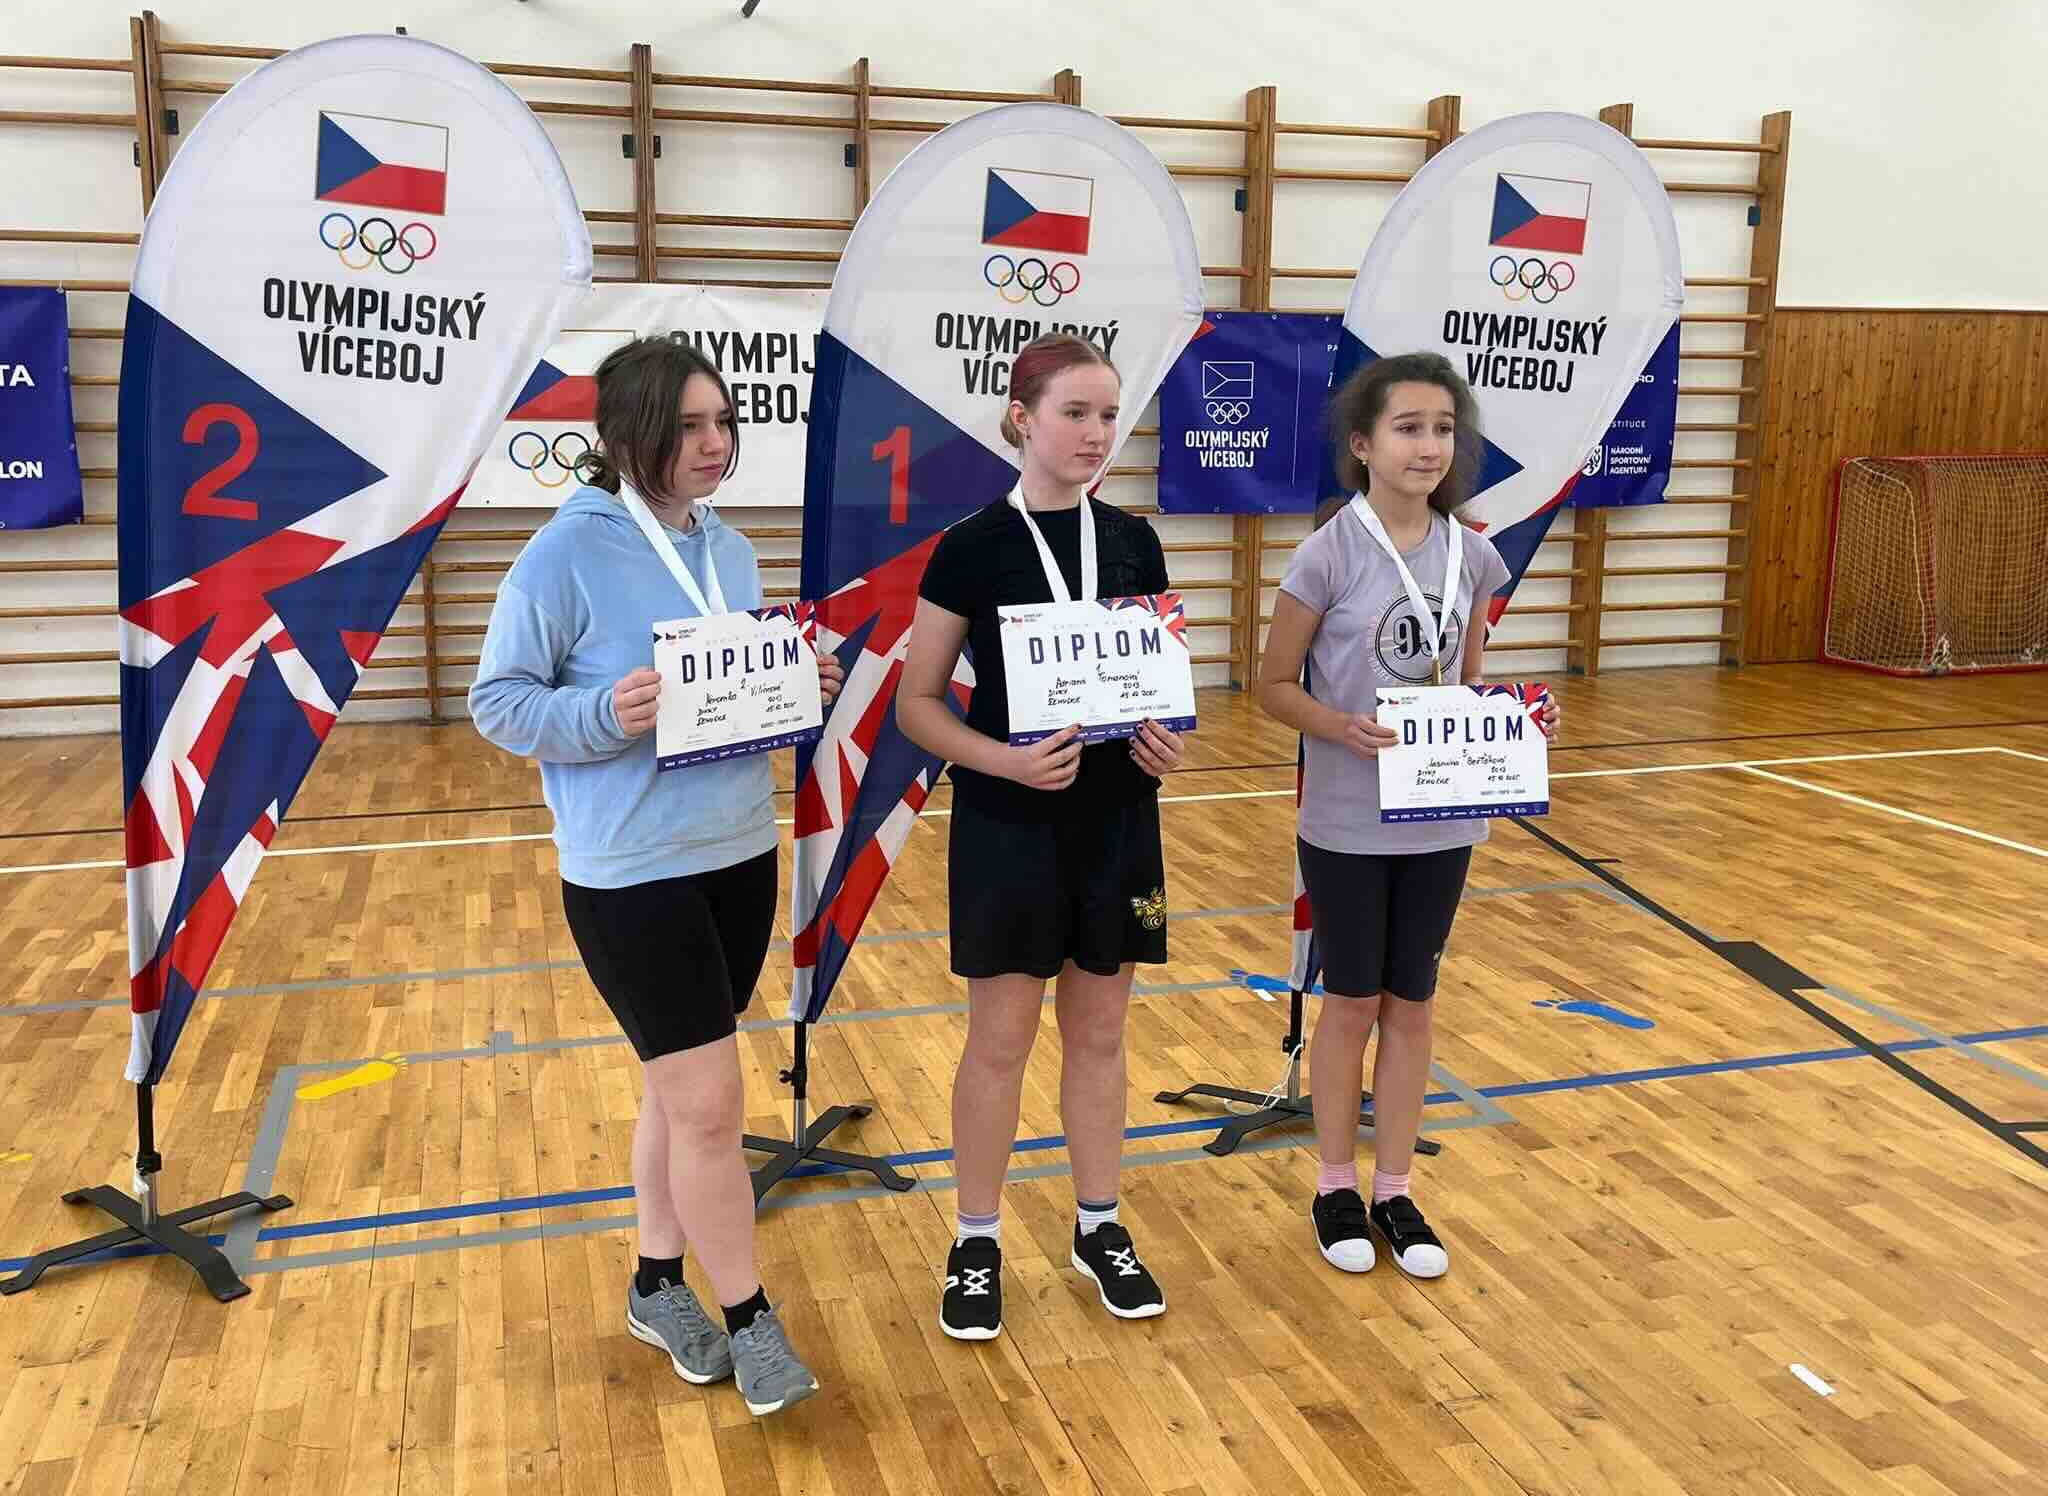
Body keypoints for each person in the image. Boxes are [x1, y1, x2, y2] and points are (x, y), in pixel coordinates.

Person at [469, 337, 843, 1416]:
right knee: (713, 1110)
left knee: (676, 1096)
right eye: (687, 426)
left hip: (739, 854)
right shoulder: (563, 554)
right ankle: (750, 1320)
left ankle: (653, 1283)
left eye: (723, 421)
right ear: (627, 433)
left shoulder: (729, 549)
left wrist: (796, 682)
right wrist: (601, 712)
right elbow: (499, 702)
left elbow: (729, 700)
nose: (714, 443)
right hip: (631, 875)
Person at [897, 332, 1186, 1341]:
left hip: (1117, 822)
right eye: (1075, 412)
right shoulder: (971, 545)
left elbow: (1153, 690)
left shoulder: (1134, 540)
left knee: (1100, 1035)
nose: (1097, 433)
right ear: (1022, 417)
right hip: (1009, 825)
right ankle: (975, 1239)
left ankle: (1098, 1225)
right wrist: (1004, 760)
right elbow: (917, 706)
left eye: (1109, 415)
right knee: (1000, 1042)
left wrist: (1162, 742)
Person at [1256, 351, 1560, 1280]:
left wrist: (1515, 720)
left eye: (1443, 429)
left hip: (1441, 820)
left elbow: (1462, 682)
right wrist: (1337, 726)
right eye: (1408, 428)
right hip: (1348, 820)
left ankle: (1395, 1189)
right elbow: (1272, 685)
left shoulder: (1473, 553)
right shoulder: (1327, 552)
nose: (1429, 446)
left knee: (1413, 1003)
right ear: (1363, 444)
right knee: (1352, 1001)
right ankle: (1335, 1185)